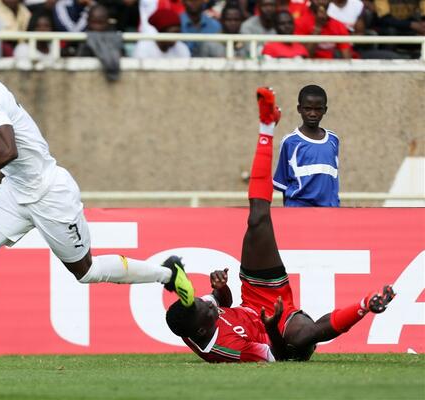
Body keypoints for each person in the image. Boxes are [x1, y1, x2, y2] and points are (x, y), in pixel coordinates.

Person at [0, 32, 192, 367]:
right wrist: (7, 176)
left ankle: (168, 274)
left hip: (49, 194)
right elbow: (20, 147)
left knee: (86, 272)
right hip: (15, 189)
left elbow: (7, 150)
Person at [164, 87, 395, 363]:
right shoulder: (226, 350)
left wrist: (221, 289)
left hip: (256, 297)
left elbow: (222, 302)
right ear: (203, 329)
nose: (208, 302)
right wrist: (272, 327)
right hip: (280, 332)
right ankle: (366, 304)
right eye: (207, 309)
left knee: (257, 219)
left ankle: (267, 125)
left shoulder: (195, 315)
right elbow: (279, 356)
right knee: (304, 337)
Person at [273, 85, 340, 207]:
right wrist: (287, 213)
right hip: (298, 210)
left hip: (330, 210)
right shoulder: (290, 142)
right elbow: (283, 184)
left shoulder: (333, 139)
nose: (313, 114)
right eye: (308, 109)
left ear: (325, 110)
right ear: (299, 109)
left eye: (318, 109)